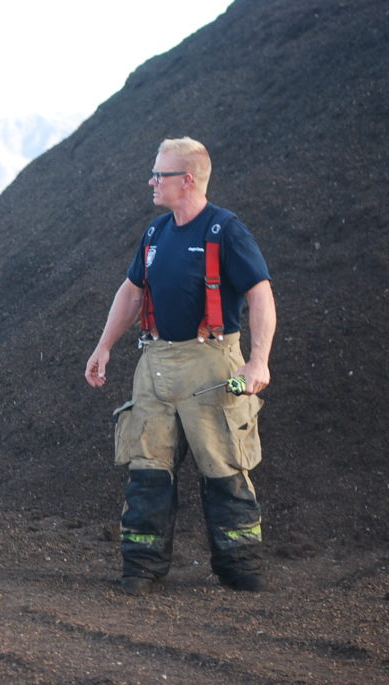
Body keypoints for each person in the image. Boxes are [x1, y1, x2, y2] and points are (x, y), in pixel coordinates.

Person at [83, 137, 276, 595]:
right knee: (147, 470)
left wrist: (258, 361)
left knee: (224, 467)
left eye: (159, 175)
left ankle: (241, 569)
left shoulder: (225, 231)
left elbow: (260, 295)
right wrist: (104, 346)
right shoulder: (155, 233)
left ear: (186, 180)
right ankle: (141, 569)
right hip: (156, 365)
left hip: (211, 365)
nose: (151, 182)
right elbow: (132, 292)